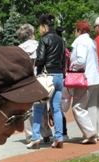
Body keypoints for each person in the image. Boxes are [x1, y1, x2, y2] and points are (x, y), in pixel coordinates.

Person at [27, 14, 66, 150]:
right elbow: (63, 59)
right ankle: (59, 137)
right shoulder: (61, 40)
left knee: (38, 109)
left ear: (44, 26)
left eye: (40, 27)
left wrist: (34, 64)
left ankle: (35, 138)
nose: (39, 30)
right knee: (57, 109)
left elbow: (41, 59)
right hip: (59, 76)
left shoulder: (44, 40)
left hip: (46, 77)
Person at [16, 23, 52, 145]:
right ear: (32, 34)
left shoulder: (19, 49)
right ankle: (46, 133)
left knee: (27, 108)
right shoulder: (39, 44)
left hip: (26, 79)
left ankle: (30, 135)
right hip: (40, 77)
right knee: (42, 106)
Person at [69, 20, 99, 144]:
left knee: (77, 107)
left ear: (78, 30)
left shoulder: (81, 41)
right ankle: (92, 135)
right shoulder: (92, 42)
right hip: (95, 78)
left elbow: (81, 60)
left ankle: (89, 132)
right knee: (91, 107)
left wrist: (71, 65)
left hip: (85, 78)